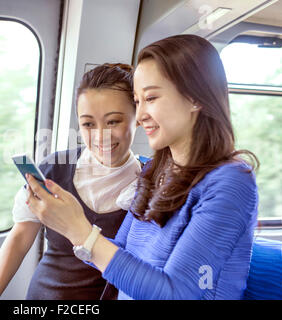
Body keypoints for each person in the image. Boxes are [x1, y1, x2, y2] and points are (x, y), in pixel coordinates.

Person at [25, 34, 259, 300]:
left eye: (151, 98)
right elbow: (122, 253)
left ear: (195, 97)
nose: (141, 114)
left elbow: (178, 294)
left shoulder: (231, 182)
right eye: (137, 101)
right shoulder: (155, 172)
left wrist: (79, 230)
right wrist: (70, 223)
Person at [0, 63, 142, 300]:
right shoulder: (54, 169)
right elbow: (20, 238)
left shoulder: (149, 185)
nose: (100, 136)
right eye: (88, 124)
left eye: (113, 121)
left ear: (138, 116)